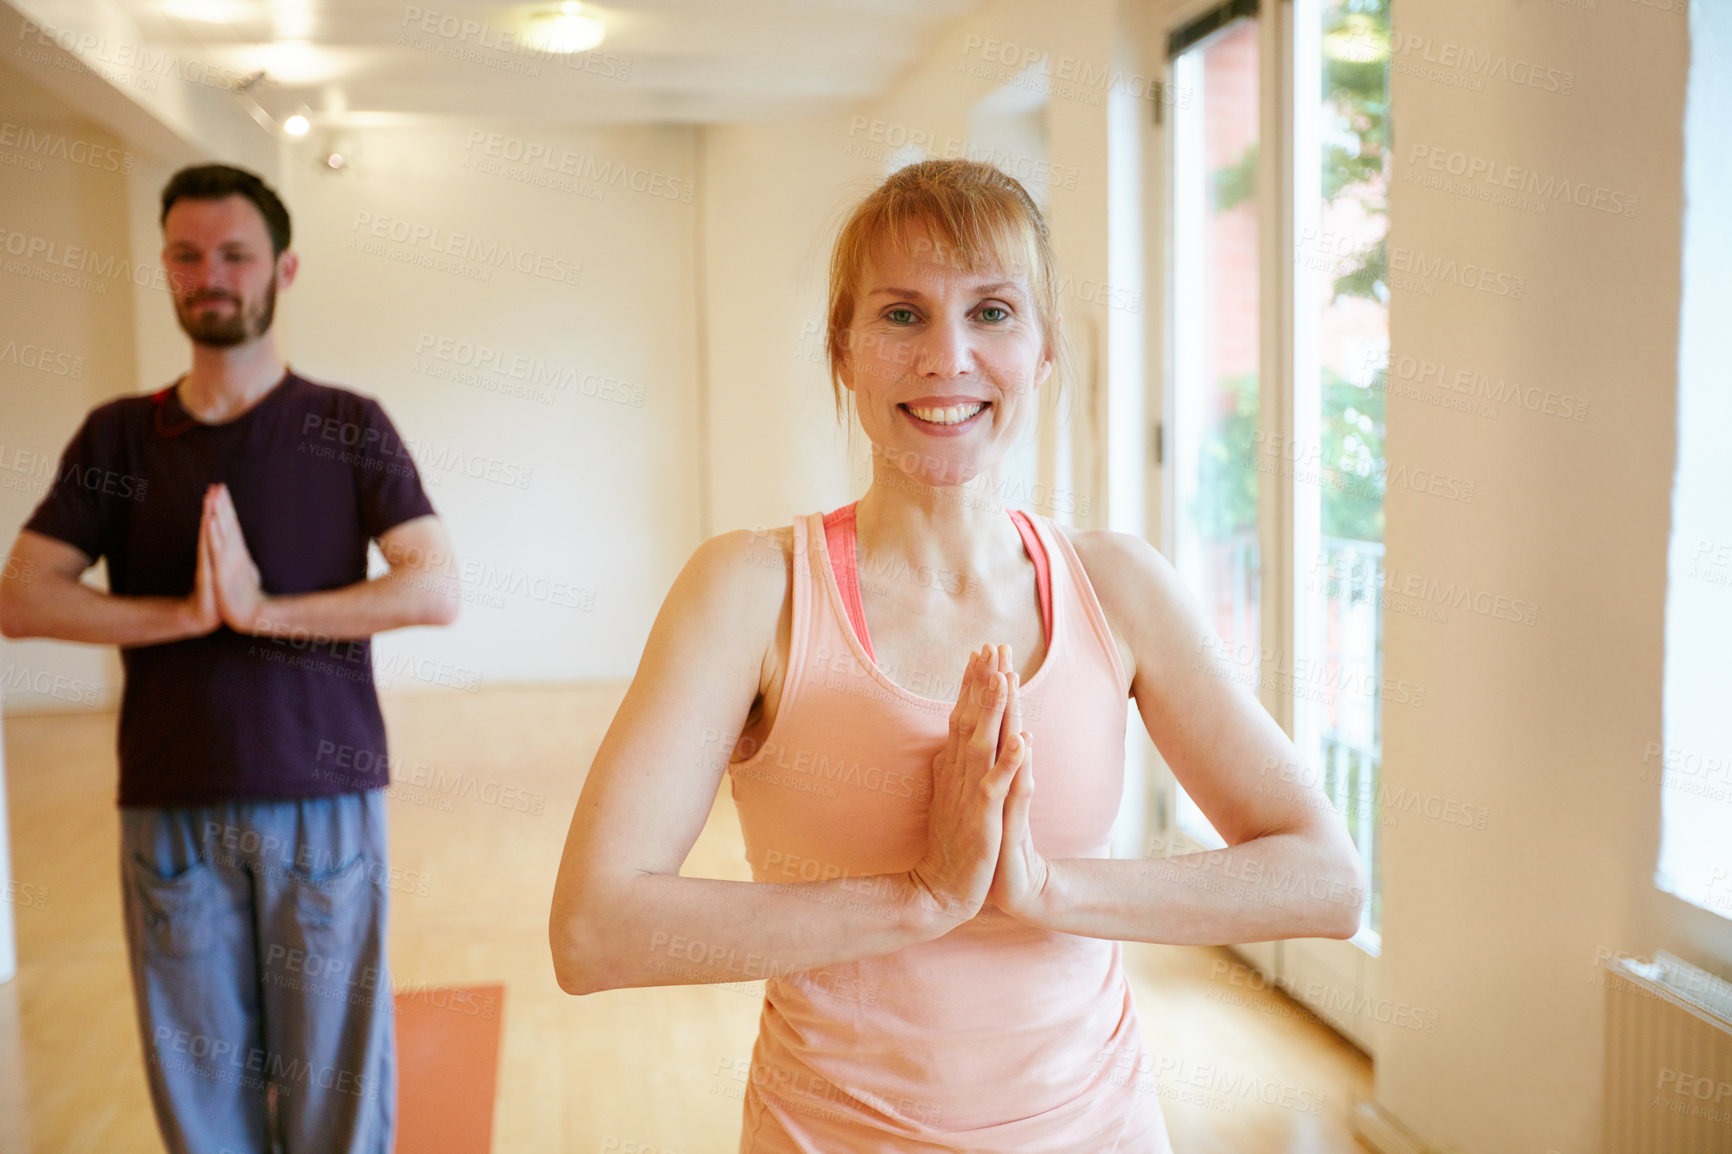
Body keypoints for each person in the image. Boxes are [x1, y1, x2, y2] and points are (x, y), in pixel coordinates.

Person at [548, 159, 1366, 1152]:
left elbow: (1324, 876)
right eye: (901, 315)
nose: (947, 357)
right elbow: (594, 930)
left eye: (991, 312)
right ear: (842, 349)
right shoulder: (750, 590)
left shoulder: (1117, 586)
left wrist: (1043, 888)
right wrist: (922, 897)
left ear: (1044, 346)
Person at [0, 163, 460, 1154]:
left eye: (235, 253)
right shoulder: (118, 433)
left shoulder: (347, 421)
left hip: (322, 796)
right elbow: (22, 595)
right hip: (171, 801)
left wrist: (264, 611)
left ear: (282, 268)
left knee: (336, 1077)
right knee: (201, 1085)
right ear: (165, 267)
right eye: (187, 253)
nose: (210, 273)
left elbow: (433, 585)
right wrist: (186, 614)